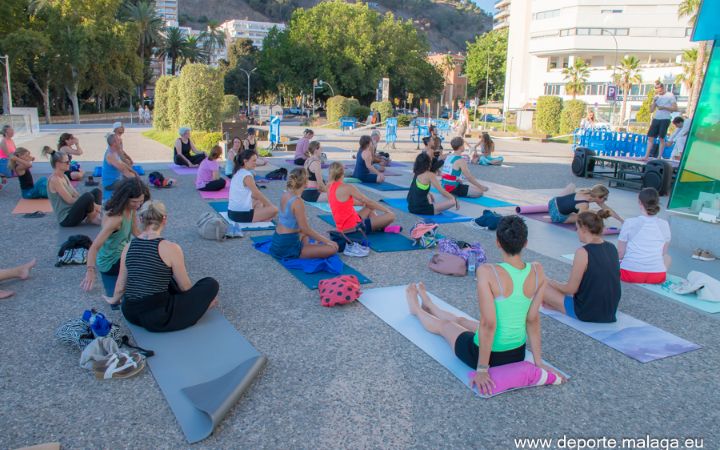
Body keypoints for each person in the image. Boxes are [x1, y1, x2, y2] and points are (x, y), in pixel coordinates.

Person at [406, 215, 556, 395]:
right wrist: (538, 361)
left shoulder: (487, 272)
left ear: (498, 243)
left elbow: (488, 324)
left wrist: (482, 369)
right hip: (517, 353)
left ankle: (416, 308)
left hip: (484, 355)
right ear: (525, 243)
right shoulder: (538, 270)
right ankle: (431, 305)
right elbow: (533, 319)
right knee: (465, 321)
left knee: (445, 326)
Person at [110, 200, 220, 332]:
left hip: (130, 313)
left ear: (140, 219)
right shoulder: (171, 248)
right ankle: (198, 307)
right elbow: (185, 287)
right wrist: (200, 302)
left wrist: (113, 300)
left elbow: (121, 285)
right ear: (164, 219)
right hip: (157, 318)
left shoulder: (128, 247)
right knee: (210, 284)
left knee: (166, 278)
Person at [542, 210, 621, 322]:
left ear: (584, 229)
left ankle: (558, 306)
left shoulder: (583, 252)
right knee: (561, 287)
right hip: (610, 311)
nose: (577, 232)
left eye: (577, 228)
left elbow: (571, 289)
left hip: (586, 312)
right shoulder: (612, 247)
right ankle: (557, 305)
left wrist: (550, 281)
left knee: (540, 285)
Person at [81, 178, 149, 297]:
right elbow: (95, 247)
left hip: (122, 252)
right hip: (110, 262)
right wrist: (90, 271)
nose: (138, 205)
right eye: (135, 201)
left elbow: (135, 231)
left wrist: (154, 241)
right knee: (146, 265)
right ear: (124, 198)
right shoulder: (116, 219)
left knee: (155, 256)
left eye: (141, 201)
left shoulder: (131, 209)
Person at [270, 169, 340, 259]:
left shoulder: (286, 194)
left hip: (277, 240)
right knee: (333, 248)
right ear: (305, 182)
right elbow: (305, 229)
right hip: (287, 246)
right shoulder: (297, 202)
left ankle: (308, 247)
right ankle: (305, 249)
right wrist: (327, 241)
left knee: (305, 234)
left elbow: (302, 229)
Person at [617, 188, 671, 284]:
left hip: (629, 274)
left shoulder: (629, 222)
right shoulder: (664, 224)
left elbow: (621, 253)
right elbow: (663, 252)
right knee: (667, 257)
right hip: (657, 276)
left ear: (640, 202)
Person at [328, 162, 397, 234]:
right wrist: (387, 210)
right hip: (354, 228)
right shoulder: (348, 187)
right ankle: (381, 227)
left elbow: (345, 203)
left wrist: (365, 203)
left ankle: (379, 226)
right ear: (343, 173)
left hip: (343, 226)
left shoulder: (330, 187)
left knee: (370, 207)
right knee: (391, 216)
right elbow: (369, 202)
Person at [47, 151, 103, 226]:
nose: (69, 163)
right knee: (88, 196)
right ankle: (93, 217)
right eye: (66, 162)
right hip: (66, 219)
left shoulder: (64, 176)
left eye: (69, 161)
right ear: (58, 164)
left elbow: (75, 193)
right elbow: (69, 200)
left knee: (96, 192)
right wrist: (94, 205)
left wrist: (89, 203)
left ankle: (94, 216)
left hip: (74, 211)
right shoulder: (55, 180)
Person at [228, 150, 278, 223]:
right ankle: (261, 217)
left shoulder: (238, 172)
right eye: (254, 161)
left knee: (258, 202)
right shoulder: (247, 175)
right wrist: (270, 205)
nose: (256, 163)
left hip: (231, 212)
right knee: (275, 210)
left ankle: (261, 216)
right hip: (239, 215)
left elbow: (254, 196)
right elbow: (256, 193)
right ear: (245, 161)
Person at [548, 183, 623, 225]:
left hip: (552, 202)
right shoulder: (584, 204)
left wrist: (621, 220)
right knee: (589, 214)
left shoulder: (585, 192)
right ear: (598, 197)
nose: (606, 200)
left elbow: (608, 210)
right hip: (556, 216)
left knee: (572, 186)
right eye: (605, 198)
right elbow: (579, 221)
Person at [644, 82, 677, 159]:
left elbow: (675, 108)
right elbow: (651, 110)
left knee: (661, 138)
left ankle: (659, 156)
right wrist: (654, 102)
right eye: (657, 89)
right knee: (650, 137)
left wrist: (664, 107)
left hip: (665, 118)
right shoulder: (657, 96)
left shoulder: (670, 95)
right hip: (656, 118)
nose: (659, 90)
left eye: (660, 88)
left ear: (663, 87)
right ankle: (646, 155)